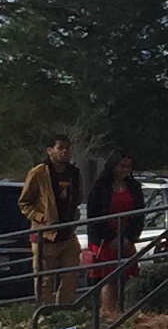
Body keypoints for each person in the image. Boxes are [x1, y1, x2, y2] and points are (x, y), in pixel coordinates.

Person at [22, 133, 83, 307]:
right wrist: (41, 218)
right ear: (50, 151)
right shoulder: (38, 173)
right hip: (45, 235)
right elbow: (24, 203)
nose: (65, 152)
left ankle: (65, 309)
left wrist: (74, 214)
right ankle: (45, 313)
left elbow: (78, 197)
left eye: (67, 148)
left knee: (71, 273)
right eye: (60, 148)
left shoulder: (74, 174)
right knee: (44, 279)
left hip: (68, 233)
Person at [86, 154, 146, 312]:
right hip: (105, 239)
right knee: (109, 277)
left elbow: (139, 215)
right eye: (121, 166)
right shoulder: (100, 187)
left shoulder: (134, 187)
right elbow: (94, 215)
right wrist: (110, 238)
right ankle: (107, 313)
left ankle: (121, 312)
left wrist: (130, 237)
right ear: (112, 166)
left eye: (128, 167)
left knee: (126, 276)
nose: (125, 170)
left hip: (126, 236)